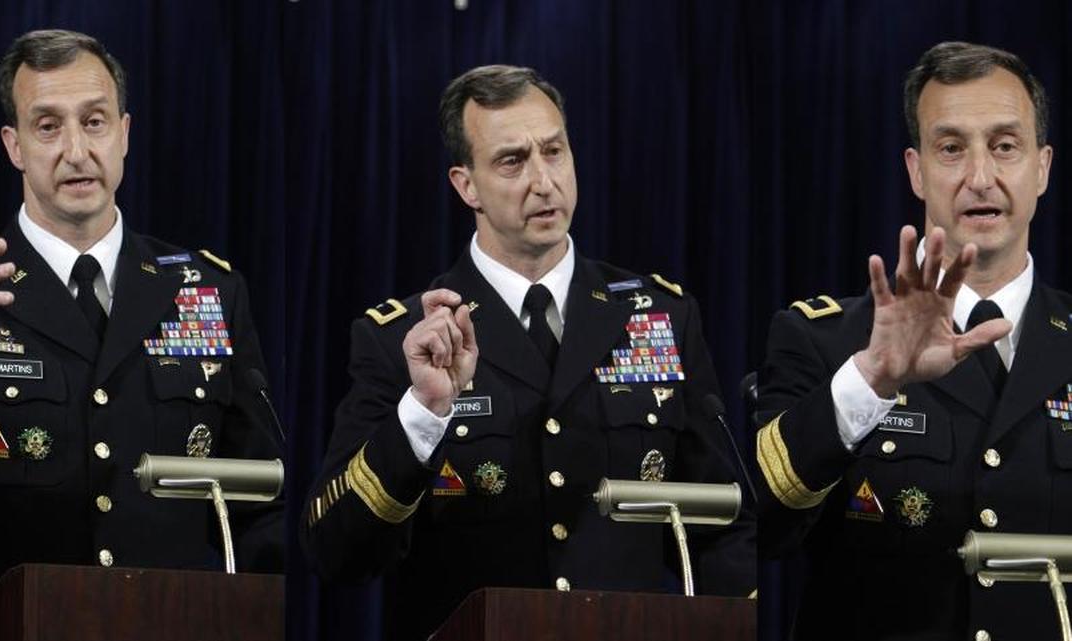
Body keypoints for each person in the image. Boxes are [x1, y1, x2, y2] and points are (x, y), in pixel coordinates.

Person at [302, 64, 755, 640]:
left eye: (555, 151)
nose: (544, 181)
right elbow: (334, 552)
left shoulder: (661, 316)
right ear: (466, 185)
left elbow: (722, 521)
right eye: (513, 161)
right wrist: (420, 415)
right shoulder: (404, 338)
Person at [0, 29, 282, 638]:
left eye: (94, 122)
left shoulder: (206, 290)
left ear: (124, 132)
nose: (75, 150)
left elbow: (260, 499)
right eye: (47, 126)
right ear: (13, 146)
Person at [756, 42, 1065, 640]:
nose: (981, 177)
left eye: (1005, 146)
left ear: (1043, 168)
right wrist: (871, 379)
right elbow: (758, 529)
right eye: (952, 149)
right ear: (917, 171)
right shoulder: (822, 339)